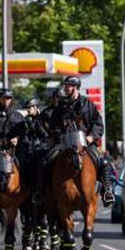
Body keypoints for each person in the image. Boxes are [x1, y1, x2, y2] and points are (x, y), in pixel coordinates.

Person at [49, 76, 115, 206]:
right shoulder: (60, 107)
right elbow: (53, 126)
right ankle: (44, 192)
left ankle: (107, 190)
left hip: (85, 143)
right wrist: (60, 136)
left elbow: (98, 123)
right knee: (47, 160)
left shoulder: (88, 104)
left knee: (104, 161)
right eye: (65, 86)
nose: (65, 88)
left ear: (75, 88)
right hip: (65, 144)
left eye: (68, 85)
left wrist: (91, 136)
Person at [18, 98, 49, 205]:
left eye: (30, 108)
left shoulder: (42, 119)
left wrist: (37, 124)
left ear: (36, 107)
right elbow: (23, 136)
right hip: (28, 151)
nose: (28, 110)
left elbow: (45, 135)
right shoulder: (25, 120)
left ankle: (39, 191)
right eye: (27, 108)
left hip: (42, 150)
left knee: (42, 166)